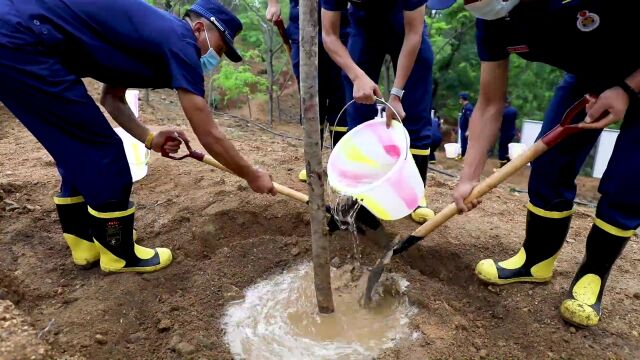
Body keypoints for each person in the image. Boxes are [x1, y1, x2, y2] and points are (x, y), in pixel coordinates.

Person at [0, 0, 276, 274]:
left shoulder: (149, 39)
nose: (217, 57)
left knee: (75, 147)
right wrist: (250, 174)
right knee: (101, 152)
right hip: (21, 38)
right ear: (200, 28)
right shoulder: (180, 39)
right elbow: (209, 133)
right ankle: (119, 253)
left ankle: (83, 242)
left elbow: (112, 98)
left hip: (17, 40)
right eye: (219, 48)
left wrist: (149, 138)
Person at [453, 0, 640, 328]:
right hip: (589, 76)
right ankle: (535, 260)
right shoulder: (492, 22)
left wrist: (626, 88)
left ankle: (592, 275)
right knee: (549, 167)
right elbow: (489, 102)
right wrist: (468, 178)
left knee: (628, 182)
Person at [320, 0, 453, 224]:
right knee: (358, 109)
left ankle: (414, 194)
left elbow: (413, 34)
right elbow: (329, 35)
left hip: (405, 29)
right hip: (363, 29)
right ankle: (361, 192)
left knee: (414, 110)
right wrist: (356, 75)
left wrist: (396, 94)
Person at [265, 0, 349, 182]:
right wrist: (273, 3)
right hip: (302, 30)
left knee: (341, 101)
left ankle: (341, 165)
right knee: (311, 100)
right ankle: (312, 161)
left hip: (343, 28)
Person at [497, 97, 518, 167]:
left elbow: (500, 123)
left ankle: (502, 166)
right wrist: (516, 132)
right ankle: (508, 163)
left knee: (502, 148)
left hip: (504, 132)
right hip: (511, 132)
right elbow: (514, 122)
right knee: (507, 147)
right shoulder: (514, 110)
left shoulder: (502, 111)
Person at [458, 91, 474, 157]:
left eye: (460, 98)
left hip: (466, 129)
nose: (459, 99)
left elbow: (470, 119)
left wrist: (468, 130)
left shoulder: (468, 108)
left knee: (464, 143)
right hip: (463, 128)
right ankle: (463, 155)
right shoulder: (464, 107)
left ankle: (464, 156)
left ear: (462, 98)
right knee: (463, 143)